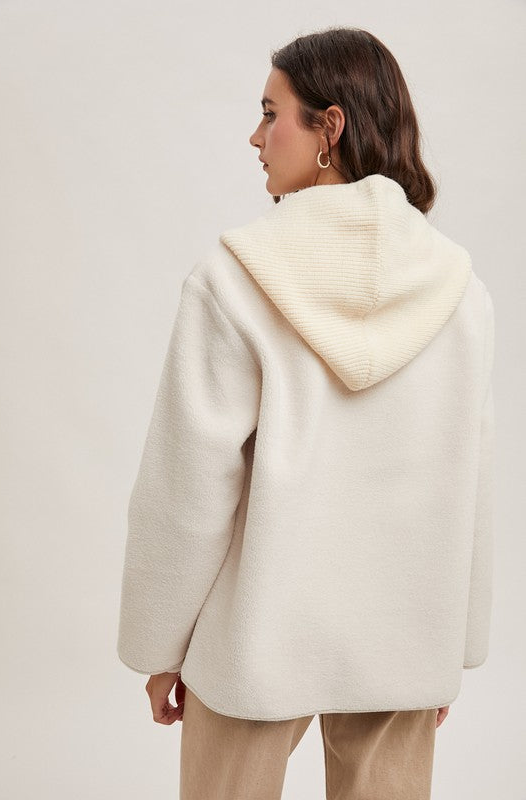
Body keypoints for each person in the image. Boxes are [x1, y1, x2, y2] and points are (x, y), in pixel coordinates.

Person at [117, 26, 495, 800]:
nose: (254, 137)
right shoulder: (459, 290)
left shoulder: (236, 279)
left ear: (330, 128)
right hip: (400, 637)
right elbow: (470, 476)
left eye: (270, 114)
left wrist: (159, 647)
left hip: (254, 638)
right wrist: (448, 648)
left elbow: (187, 488)